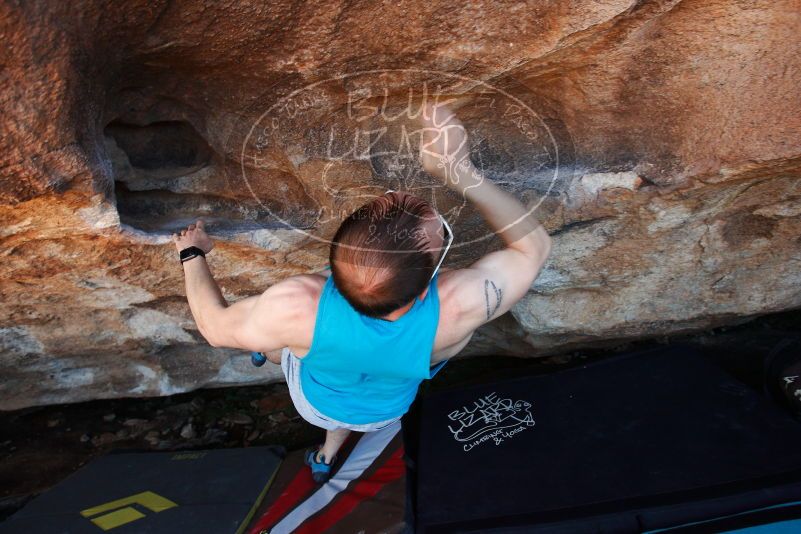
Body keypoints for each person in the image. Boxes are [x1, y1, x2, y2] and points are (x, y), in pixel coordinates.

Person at [172, 103, 552, 483]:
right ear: (427, 287)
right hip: (385, 411)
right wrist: (459, 172)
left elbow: (215, 328)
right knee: (334, 391)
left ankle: (273, 354)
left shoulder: (296, 306)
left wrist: (191, 254)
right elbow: (533, 249)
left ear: (333, 264)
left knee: (284, 346)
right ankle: (329, 450)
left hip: (315, 401)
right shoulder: (458, 306)